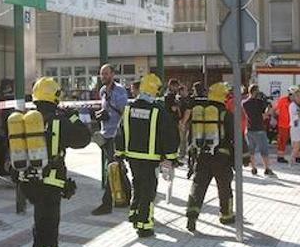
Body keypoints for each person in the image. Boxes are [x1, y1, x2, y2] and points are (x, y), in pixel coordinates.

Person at [21, 77, 91, 247]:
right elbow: (84, 138)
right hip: (49, 184)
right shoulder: (60, 120)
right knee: (44, 235)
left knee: (42, 227)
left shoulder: (26, 119)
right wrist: (71, 114)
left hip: (30, 183)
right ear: (56, 96)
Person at [114, 73, 179, 238]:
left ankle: (135, 214)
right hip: (150, 159)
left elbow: (120, 133)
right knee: (148, 191)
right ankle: (144, 225)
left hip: (132, 157)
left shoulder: (128, 109)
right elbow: (169, 135)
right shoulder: (158, 111)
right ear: (155, 90)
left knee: (138, 185)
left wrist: (119, 154)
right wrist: (171, 157)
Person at [185, 82, 236, 231]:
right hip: (222, 159)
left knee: (198, 187)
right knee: (224, 188)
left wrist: (191, 156)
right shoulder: (226, 114)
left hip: (202, 156)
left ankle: (191, 216)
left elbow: (191, 135)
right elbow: (235, 136)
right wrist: (243, 157)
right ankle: (226, 216)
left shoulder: (200, 112)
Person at [92, 64, 130, 216]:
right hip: (105, 134)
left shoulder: (119, 90)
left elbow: (123, 111)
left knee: (111, 168)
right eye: (102, 74)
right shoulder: (102, 91)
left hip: (116, 135)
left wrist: (109, 110)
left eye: (106, 74)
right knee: (117, 167)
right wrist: (102, 113)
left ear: (113, 74)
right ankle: (128, 195)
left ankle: (106, 204)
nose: (103, 77)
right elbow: (107, 108)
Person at [243, 84, 276, 177]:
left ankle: (253, 168)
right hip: (259, 129)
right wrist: (269, 107)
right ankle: (267, 169)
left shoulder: (244, 103)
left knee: (251, 150)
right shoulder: (259, 102)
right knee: (264, 150)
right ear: (255, 92)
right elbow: (265, 115)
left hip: (249, 129)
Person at [0, 78, 15, 179]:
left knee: (4, 149)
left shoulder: (8, 96)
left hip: (7, 126)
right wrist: (0, 127)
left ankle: (1, 168)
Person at [273, 90, 291, 163]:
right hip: (283, 125)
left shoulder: (294, 101)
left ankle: (298, 157)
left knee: (296, 141)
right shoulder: (283, 100)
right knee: (282, 141)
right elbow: (276, 110)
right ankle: (280, 157)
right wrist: (278, 118)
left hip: (291, 125)